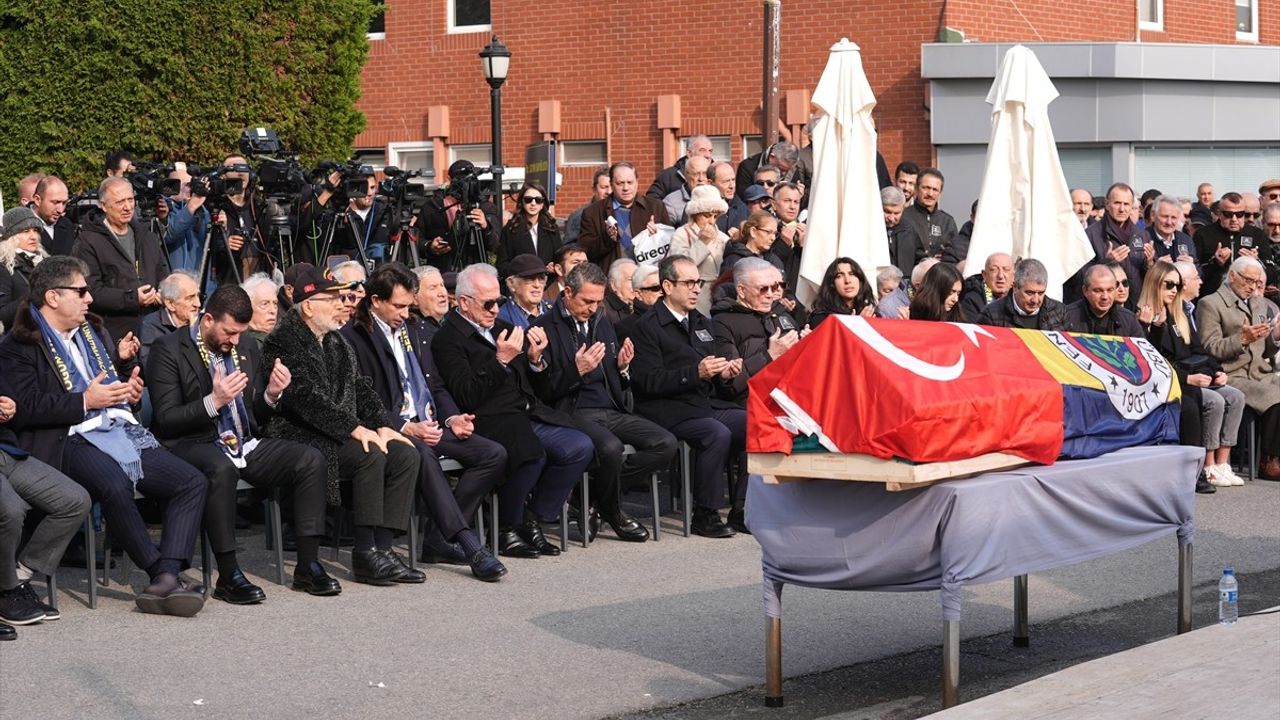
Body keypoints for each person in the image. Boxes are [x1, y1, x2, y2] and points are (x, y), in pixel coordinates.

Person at [0, 256, 208, 616]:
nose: (89, 299)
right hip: (63, 437)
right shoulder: (19, 343)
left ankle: (167, 573)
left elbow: (108, 381)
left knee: (190, 481)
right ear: (52, 297)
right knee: (114, 482)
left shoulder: (92, 332)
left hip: (114, 426)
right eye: (81, 292)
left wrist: (126, 385)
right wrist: (84, 401)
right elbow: (25, 408)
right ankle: (160, 573)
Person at [147, 285, 342, 599]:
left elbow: (254, 413)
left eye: (240, 333)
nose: (235, 340)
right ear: (207, 319)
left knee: (311, 458)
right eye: (229, 332)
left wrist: (272, 394)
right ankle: (228, 574)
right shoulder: (168, 349)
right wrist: (214, 401)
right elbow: (167, 420)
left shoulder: (247, 346)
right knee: (220, 468)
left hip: (243, 442)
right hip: (191, 443)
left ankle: (308, 565)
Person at [340, 263, 508, 580]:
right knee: (422, 454)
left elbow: (436, 385)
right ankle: (468, 543)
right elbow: (361, 399)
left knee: (493, 453)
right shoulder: (354, 337)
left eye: (409, 304)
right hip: (388, 428)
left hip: (428, 420)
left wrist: (452, 416)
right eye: (399, 306)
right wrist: (405, 427)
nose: (406, 312)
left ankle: (437, 536)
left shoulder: (413, 329)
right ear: (375, 301)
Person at [259, 265, 421, 585]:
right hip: (301, 435)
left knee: (404, 454)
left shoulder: (335, 340)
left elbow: (360, 387)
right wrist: (354, 428)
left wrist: (382, 424)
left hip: (336, 431)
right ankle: (364, 554)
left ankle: (383, 550)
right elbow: (303, 398)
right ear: (308, 306)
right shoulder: (283, 340)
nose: (341, 304)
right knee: (369, 454)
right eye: (332, 298)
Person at [432, 263, 594, 558]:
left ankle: (533, 518)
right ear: (464, 302)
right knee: (531, 453)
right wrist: (500, 361)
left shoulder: (506, 328)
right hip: (487, 418)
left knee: (579, 446)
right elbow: (466, 394)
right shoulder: (448, 339)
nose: (496, 310)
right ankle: (506, 527)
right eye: (488, 303)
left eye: (500, 302)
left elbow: (538, 388)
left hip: (527, 412)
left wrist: (535, 361)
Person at [532, 262, 676, 542]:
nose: (593, 307)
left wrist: (622, 368)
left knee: (665, 443)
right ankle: (614, 512)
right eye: (587, 301)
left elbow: (615, 377)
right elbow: (543, 391)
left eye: (598, 301)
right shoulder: (544, 327)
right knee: (611, 448)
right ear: (568, 293)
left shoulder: (602, 321)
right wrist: (577, 370)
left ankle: (594, 501)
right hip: (572, 410)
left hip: (609, 407)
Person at [629, 255, 745, 538]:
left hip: (702, 403)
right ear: (667, 286)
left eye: (699, 282)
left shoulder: (701, 322)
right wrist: (696, 373)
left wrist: (724, 374)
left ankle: (742, 508)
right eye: (689, 282)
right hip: (666, 409)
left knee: (754, 423)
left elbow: (711, 372)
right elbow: (646, 381)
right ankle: (704, 513)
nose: (696, 289)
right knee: (715, 433)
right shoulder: (647, 326)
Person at [1139, 261, 1245, 490]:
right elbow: (1152, 362)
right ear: (1154, 284)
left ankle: (1221, 463)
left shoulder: (1179, 315)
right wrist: (1150, 328)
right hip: (1168, 383)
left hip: (1193, 376)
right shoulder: (1142, 316)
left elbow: (1199, 351)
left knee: (1235, 396)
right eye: (1168, 285)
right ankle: (1200, 469)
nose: (1173, 291)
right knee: (1204, 399)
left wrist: (1216, 371)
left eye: (1177, 286)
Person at [0, 373, 91, 635]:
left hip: (7, 451)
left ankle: (18, 577)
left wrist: (11, 408)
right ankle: (5, 592)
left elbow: (19, 405)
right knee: (11, 510)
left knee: (74, 500)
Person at [1196, 256, 1280, 479]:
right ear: (1232, 276)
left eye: (1256, 282)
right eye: (1248, 280)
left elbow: (1265, 350)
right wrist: (1241, 339)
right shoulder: (1210, 304)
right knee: (1275, 395)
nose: (1253, 286)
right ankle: (1269, 459)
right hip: (1230, 373)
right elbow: (1209, 348)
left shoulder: (1258, 303)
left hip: (1259, 371)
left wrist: (1276, 337)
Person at [73, 177, 169, 343]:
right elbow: (90, 291)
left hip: (153, 329)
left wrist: (164, 293)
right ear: (103, 205)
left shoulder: (147, 236)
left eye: (130, 200)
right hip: (113, 333)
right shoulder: (87, 242)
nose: (127, 207)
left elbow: (163, 273)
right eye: (119, 202)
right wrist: (132, 298)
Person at [712, 257, 801, 405]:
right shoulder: (722, 322)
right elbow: (729, 386)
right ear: (741, 290)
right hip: (754, 403)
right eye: (763, 289)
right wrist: (770, 355)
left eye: (773, 287)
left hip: (792, 395)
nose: (771, 294)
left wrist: (807, 342)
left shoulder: (780, 313)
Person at [578, 162, 670, 273]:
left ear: (637, 182)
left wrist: (658, 236)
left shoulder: (655, 207)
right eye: (620, 183)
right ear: (611, 184)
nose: (626, 188)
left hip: (647, 278)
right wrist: (607, 238)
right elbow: (585, 252)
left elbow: (670, 248)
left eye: (630, 182)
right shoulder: (593, 212)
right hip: (611, 280)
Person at [415, 160, 501, 272]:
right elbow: (416, 240)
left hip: (475, 274)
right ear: (449, 180)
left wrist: (486, 226)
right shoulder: (432, 207)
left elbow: (495, 245)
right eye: (461, 180)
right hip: (443, 273)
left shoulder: (485, 208)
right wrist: (429, 246)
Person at [1077, 183, 1150, 305]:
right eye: (1117, 203)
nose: (1122, 209)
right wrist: (1106, 263)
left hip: (1136, 306)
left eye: (1126, 204)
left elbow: (1148, 278)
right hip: (1103, 305)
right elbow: (1078, 276)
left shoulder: (1142, 235)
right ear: (1107, 204)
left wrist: (1150, 263)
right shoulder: (1091, 234)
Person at [668, 185, 729, 316]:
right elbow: (677, 267)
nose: (712, 221)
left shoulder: (723, 238)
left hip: (720, 295)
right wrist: (702, 243)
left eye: (715, 216)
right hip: (694, 295)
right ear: (695, 214)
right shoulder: (682, 234)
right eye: (707, 216)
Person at [1196, 191, 1269, 296]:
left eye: (1239, 214)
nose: (1234, 219)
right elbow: (1195, 273)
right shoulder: (1203, 234)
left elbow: (1272, 273)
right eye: (1228, 214)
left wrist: (1256, 263)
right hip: (1213, 298)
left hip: (1247, 299)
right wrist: (1215, 263)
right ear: (1219, 213)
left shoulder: (1257, 235)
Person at [977, 258, 1067, 330]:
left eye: (1040, 293)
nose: (1035, 300)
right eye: (1029, 293)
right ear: (1015, 287)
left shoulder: (1059, 312)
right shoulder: (991, 314)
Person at [138, 270, 201, 368]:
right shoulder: (151, 326)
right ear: (170, 304)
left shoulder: (203, 322)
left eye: (198, 296)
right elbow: (153, 369)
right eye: (190, 298)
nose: (198, 304)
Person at [0, 207, 49, 329]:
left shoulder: (44, 262)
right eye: (26, 231)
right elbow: (3, 315)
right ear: (12, 236)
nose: (34, 236)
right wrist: (33, 295)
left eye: (36, 230)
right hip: (21, 337)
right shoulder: (4, 267)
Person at [1063, 264, 1145, 336]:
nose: (1105, 297)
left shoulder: (1129, 320)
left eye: (1110, 290)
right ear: (1085, 290)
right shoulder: (1066, 317)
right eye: (1098, 291)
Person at [497, 183, 562, 273]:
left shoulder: (551, 229)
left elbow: (560, 258)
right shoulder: (510, 230)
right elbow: (502, 265)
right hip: (522, 283)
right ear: (522, 202)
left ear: (543, 204)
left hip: (548, 282)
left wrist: (553, 266)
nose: (533, 203)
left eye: (538, 200)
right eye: (528, 199)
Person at [162, 163, 212, 279]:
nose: (190, 189)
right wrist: (190, 208)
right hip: (173, 281)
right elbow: (169, 235)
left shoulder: (201, 210)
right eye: (186, 185)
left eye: (191, 184)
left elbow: (212, 244)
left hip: (200, 280)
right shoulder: (163, 208)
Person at [900, 168, 957, 258]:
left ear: (940, 193)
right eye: (926, 188)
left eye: (935, 190)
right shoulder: (903, 217)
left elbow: (954, 254)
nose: (930, 194)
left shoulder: (948, 222)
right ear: (916, 189)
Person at [807, 257, 876, 328]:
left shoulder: (871, 314)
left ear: (860, 280)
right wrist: (858, 325)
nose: (847, 280)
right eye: (839, 276)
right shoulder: (822, 318)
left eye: (852, 274)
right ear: (832, 284)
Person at [648, 134, 715, 201]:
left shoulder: (718, 174)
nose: (708, 155)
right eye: (702, 150)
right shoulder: (668, 176)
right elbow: (652, 203)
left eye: (710, 151)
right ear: (689, 153)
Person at [721, 210, 785, 280]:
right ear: (753, 232)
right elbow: (724, 288)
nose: (773, 238)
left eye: (775, 234)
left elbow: (783, 287)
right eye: (768, 232)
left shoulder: (774, 261)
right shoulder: (734, 260)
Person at [496, 254, 554, 330]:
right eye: (530, 279)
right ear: (511, 283)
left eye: (541, 278)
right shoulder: (500, 319)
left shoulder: (554, 309)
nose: (537, 285)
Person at [770, 182, 807, 295]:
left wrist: (803, 247)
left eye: (796, 202)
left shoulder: (806, 229)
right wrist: (783, 244)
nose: (792, 206)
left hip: (801, 293)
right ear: (774, 204)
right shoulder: (764, 227)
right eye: (787, 201)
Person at [882, 187, 925, 278]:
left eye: (897, 213)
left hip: (904, 286)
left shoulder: (909, 230)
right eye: (887, 212)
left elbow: (920, 259)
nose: (891, 218)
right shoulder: (869, 231)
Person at [659, 155, 712, 227]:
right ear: (686, 176)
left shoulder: (717, 197)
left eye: (705, 174)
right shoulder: (671, 203)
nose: (701, 178)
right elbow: (665, 233)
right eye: (696, 174)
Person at [959, 252, 1013, 322]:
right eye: (994, 270)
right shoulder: (971, 300)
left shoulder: (1020, 299)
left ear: (1013, 276)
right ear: (984, 275)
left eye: (1006, 269)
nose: (1000, 276)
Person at [29, 176, 74, 257]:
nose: (60, 210)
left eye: (64, 203)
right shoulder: (18, 226)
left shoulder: (67, 225)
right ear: (37, 200)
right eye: (55, 202)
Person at [563, 169, 611, 246]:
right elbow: (569, 247)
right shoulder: (579, 215)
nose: (609, 191)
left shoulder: (622, 212)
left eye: (612, 186)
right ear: (594, 189)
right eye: (604, 187)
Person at [1147, 195, 1197, 265]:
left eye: (1173, 217)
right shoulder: (1142, 239)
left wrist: (1192, 267)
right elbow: (1134, 273)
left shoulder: (1185, 240)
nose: (1169, 222)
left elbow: (1199, 271)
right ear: (1153, 215)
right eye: (1165, 216)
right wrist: (1154, 267)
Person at [710, 161, 748, 236]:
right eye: (725, 181)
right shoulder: (699, 208)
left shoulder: (742, 208)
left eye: (733, 180)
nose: (731, 186)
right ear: (711, 183)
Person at [241, 273, 279, 342]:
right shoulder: (244, 343)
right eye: (265, 304)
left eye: (275, 303)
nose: (273, 310)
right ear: (248, 307)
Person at [602, 258, 638, 327]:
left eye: (637, 279)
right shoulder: (603, 309)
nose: (636, 284)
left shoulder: (645, 304)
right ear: (613, 285)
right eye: (630, 279)